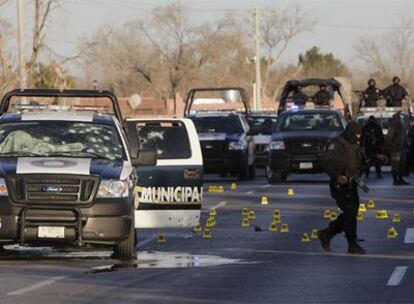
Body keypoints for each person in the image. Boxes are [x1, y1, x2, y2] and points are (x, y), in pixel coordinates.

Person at [318, 122, 366, 254]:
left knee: (351, 213)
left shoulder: (353, 143)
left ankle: (327, 233)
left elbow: (359, 159)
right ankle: (352, 244)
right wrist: (337, 175)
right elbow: (327, 162)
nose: (357, 137)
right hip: (340, 183)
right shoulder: (337, 144)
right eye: (356, 135)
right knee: (350, 212)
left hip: (352, 182)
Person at [386, 113, 409, 185]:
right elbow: (389, 138)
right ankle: (395, 180)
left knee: (402, 165)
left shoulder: (401, 126)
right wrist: (392, 145)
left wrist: (406, 144)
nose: (399, 119)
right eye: (397, 118)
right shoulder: (392, 127)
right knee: (395, 165)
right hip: (395, 149)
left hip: (402, 149)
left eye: (399, 118)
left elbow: (404, 137)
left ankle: (400, 178)